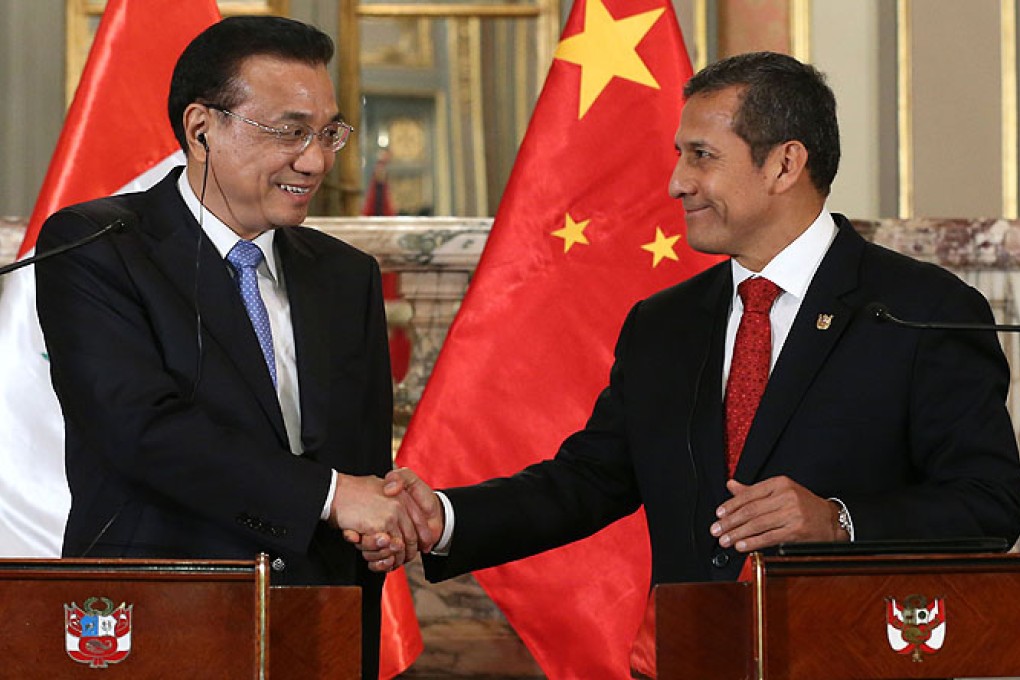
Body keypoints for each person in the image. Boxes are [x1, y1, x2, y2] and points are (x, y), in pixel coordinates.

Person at [355, 52, 1020, 589]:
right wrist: (439, 517)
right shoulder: (664, 324)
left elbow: (990, 503)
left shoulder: (922, 309)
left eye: (701, 155)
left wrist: (840, 521)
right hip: (693, 653)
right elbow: (590, 482)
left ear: (785, 164)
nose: (676, 182)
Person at [35, 16, 427, 679]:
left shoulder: (344, 274)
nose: (316, 161)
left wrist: (378, 527)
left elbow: (358, 461)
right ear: (201, 128)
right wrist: (334, 496)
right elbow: (141, 430)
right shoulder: (97, 247)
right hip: (158, 616)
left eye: (327, 132)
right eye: (289, 131)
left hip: (314, 624)